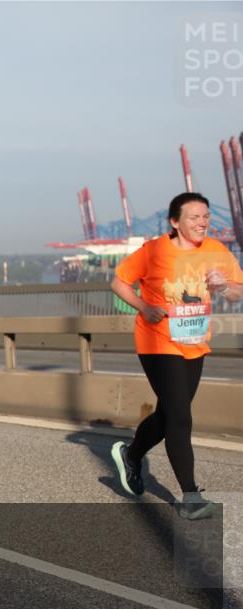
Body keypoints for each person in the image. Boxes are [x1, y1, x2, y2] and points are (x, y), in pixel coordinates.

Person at [110, 192, 243, 520]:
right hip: (157, 342)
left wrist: (224, 285)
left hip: (195, 342)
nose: (203, 222)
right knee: (181, 418)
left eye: (206, 216)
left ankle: (131, 453)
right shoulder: (154, 250)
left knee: (169, 415)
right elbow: (119, 283)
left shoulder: (216, 250)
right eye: (195, 217)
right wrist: (145, 307)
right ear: (175, 222)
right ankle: (191, 496)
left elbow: (239, 289)